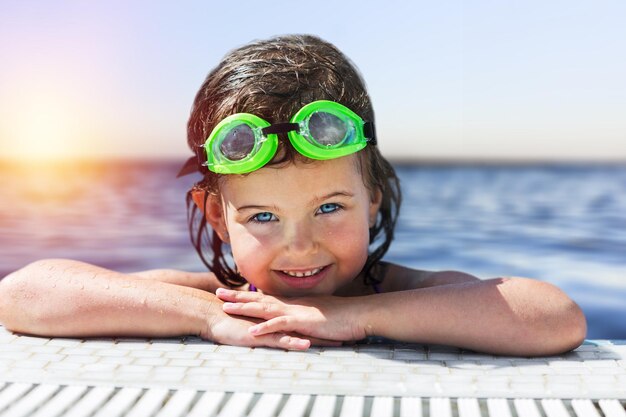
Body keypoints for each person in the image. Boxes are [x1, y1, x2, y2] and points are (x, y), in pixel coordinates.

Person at [0, 34, 586, 356]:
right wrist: (208, 319)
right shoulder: (223, 299)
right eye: (262, 216)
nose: (300, 245)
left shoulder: (405, 292)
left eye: (330, 207)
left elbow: (553, 317)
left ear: (374, 197)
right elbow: (22, 294)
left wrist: (348, 316)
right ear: (217, 217)